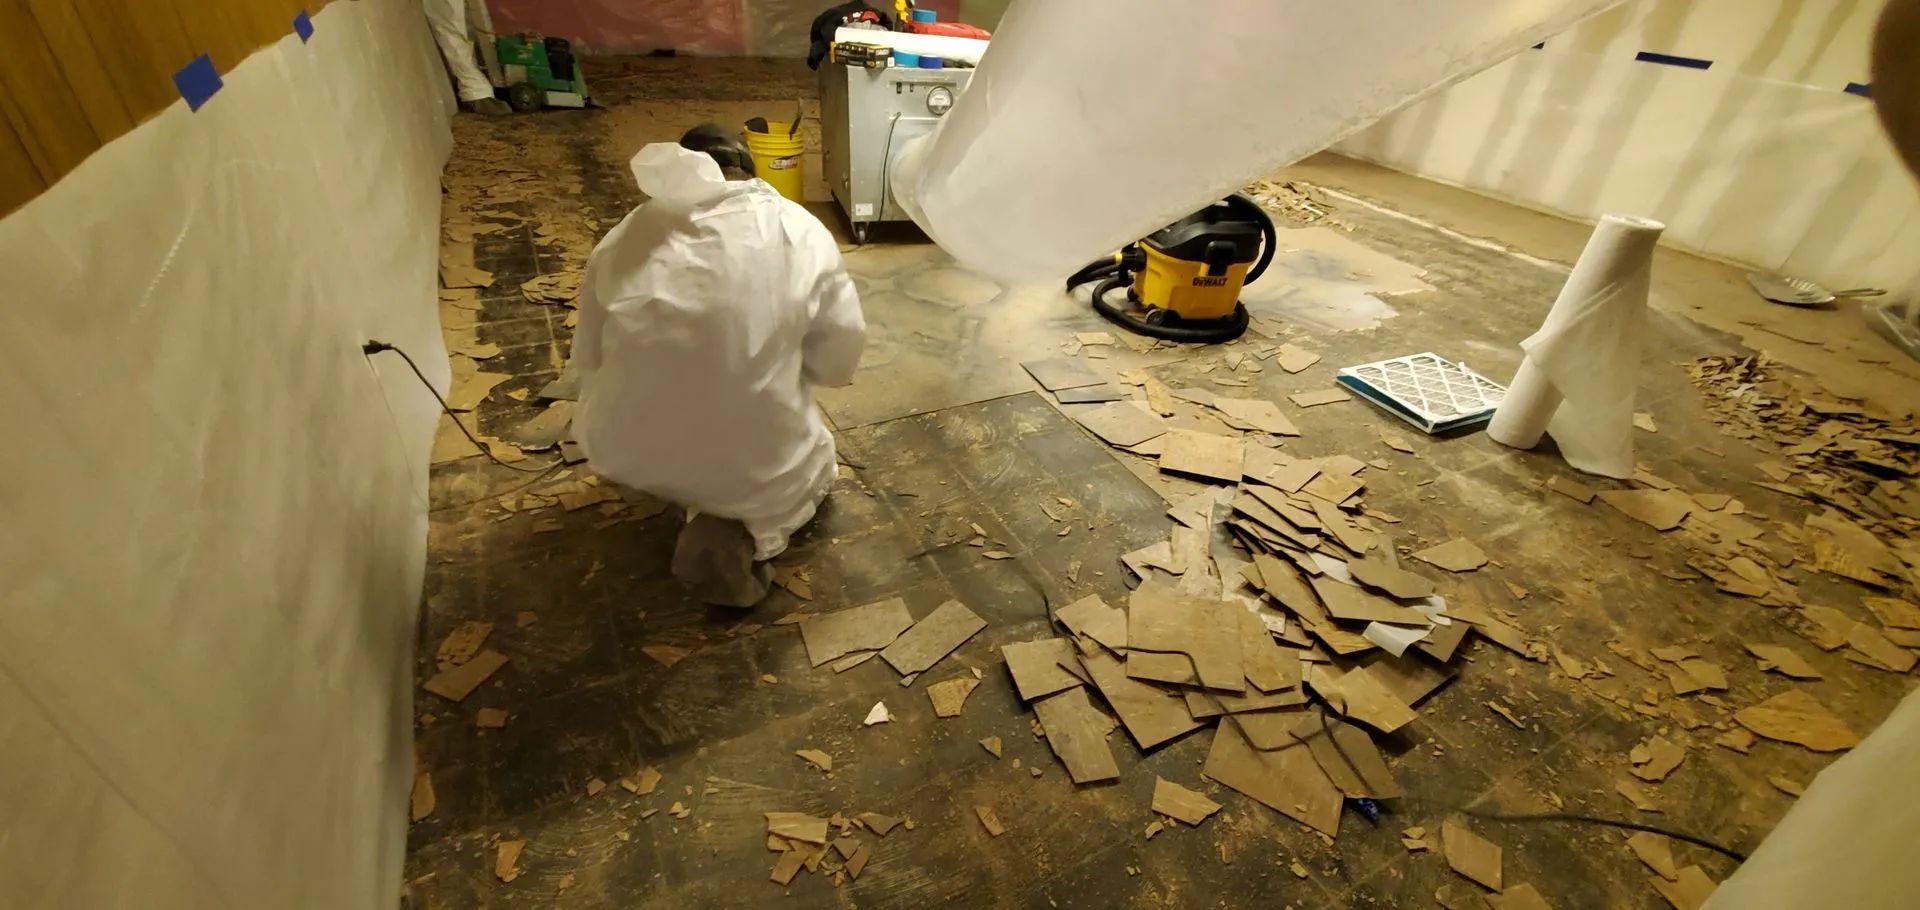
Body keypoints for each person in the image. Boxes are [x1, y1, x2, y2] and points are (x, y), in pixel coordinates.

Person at [572, 125, 866, 606]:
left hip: (627, 449)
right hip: (753, 458)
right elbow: (838, 357)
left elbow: (587, 353)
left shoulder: (627, 233)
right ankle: (744, 531)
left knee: (684, 430)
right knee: (806, 462)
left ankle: (693, 495)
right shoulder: (798, 229)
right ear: (748, 169)